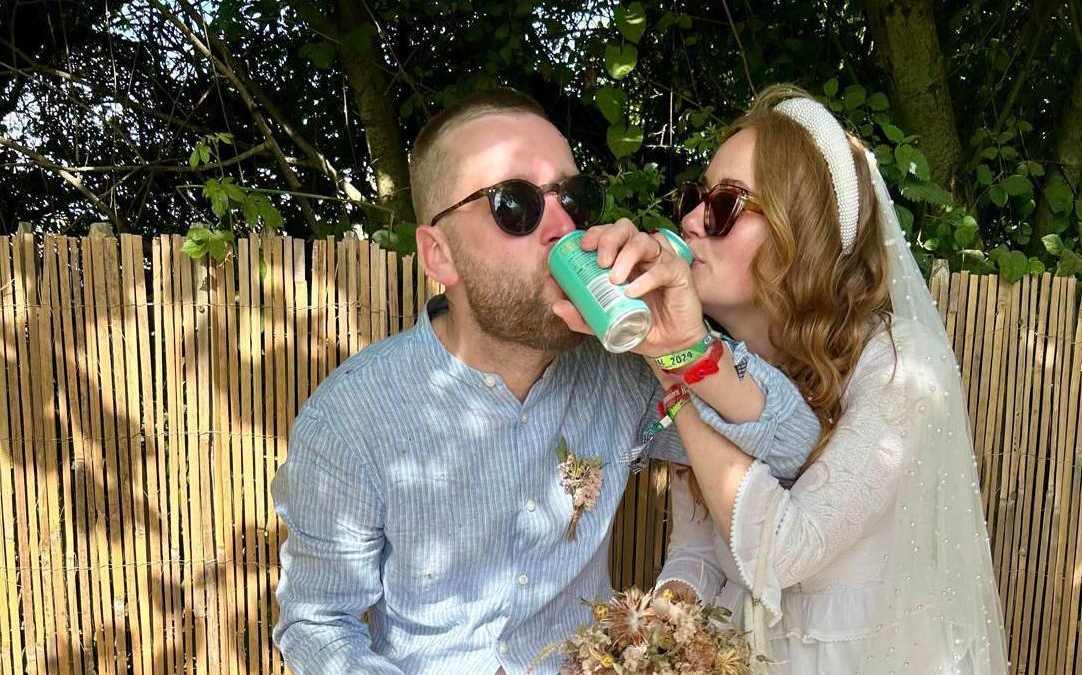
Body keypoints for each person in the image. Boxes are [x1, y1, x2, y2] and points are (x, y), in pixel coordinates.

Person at [269, 88, 820, 674]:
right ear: (439, 256)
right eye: (516, 205)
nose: (563, 227)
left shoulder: (623, 373)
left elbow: (792, 447)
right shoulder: (354, 416)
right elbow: (317, 622)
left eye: (573, 199)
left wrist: (681, 346)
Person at [652, 84, 1008, 674]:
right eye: (694, 197)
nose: (690, 220)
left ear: (804, 233)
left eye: (724, 204)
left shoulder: (899, 366)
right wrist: (657, 627)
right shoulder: (722, 362)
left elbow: (786, 548)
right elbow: (698, 553)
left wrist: (678, 369)